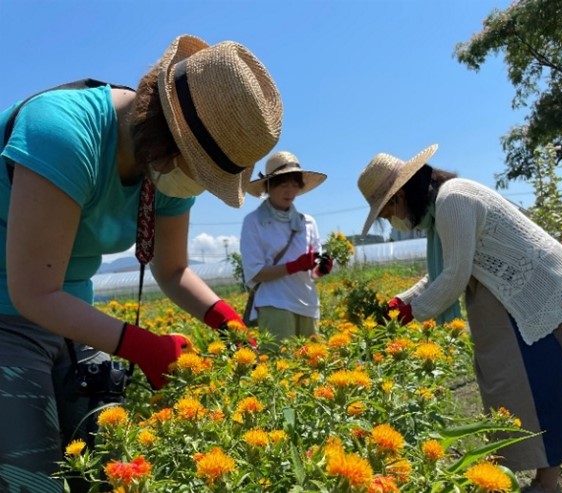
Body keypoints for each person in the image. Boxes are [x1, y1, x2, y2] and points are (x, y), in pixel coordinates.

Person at [0, 34, 282, 493]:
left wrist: (231, 326)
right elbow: (32, 292)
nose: (200, 188)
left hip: (68, 313)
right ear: (168, 141)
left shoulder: (164, 171)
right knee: (34, 479)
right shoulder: (63, 134)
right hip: (10, 311)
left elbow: (172, 270)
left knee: (113, 471)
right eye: (201, 173)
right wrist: (144, 347)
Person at [357, 144, 562, 493]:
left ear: (400, 195)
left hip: (540, 290)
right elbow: (443, 272)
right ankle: (546, 480)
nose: (392, 221)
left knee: (542, 385)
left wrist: (409, 312)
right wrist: (399, 303)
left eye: (387, 212)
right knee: (535, 385)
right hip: (524, 292)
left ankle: (547, 483)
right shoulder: (441, 209)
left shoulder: (453, 200)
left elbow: (454, 275)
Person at [240, 151, 333, 346]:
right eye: (283, 185)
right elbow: (255, 272)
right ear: (268, 186)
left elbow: (313, 274)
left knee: (312, 368)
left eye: (294, 185)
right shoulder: (254, 222)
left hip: (307, 304)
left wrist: (321, 268)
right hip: (275, 304)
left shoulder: (307, 222)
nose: (289, 191)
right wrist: (293, 266)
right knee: (279, 369)